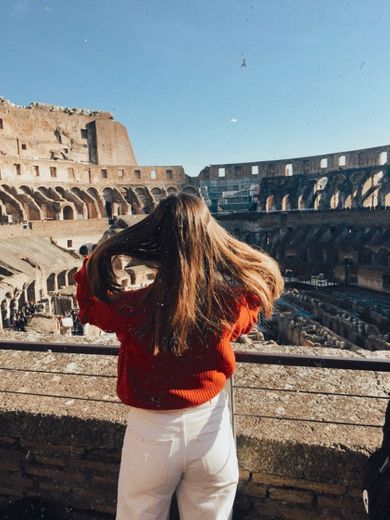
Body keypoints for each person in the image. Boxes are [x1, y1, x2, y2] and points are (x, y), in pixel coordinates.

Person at [74, 193, 283, 520]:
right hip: (211, 433)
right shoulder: (228, 305)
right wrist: (227, 249)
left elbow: (87, 303)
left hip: (151, 436)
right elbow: (261, 290)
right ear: (209, 237)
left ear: (155, 239)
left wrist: (100, 252)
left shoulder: (133, 307)